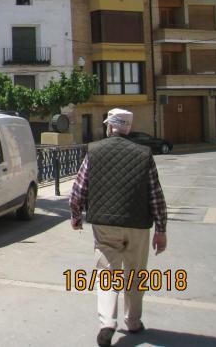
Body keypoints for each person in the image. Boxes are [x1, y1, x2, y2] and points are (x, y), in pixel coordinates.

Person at [69, 108, 168, 347]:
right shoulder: (144, 154)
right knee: (135, 273)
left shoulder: (94, 151)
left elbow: (79, 189)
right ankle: (133, 321)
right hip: (138, 224)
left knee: (107, 272)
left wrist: (76, 217)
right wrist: (161, 230)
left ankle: (107, 323)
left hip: (105, 224)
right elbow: (155, 195)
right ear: (128, 128)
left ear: (111, 127)